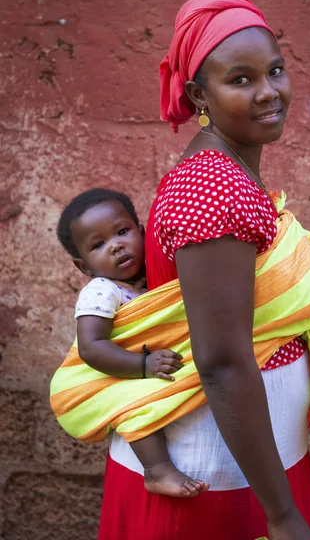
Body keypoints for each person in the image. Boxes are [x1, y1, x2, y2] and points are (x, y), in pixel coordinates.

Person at [95, 0, 310, 540]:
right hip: (211, 478)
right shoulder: (212, 185)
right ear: (198, 94)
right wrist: (282, 517)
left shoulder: (228, 171)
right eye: (240, 79)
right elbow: (223, 362)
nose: (268, 92)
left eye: (275, 70)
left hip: (250, 465)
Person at [56, 187, 209, 497]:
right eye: (99, 245)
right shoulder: (102, 290)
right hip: (115, 373)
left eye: (122, 232)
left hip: (148, 364)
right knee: (135, 406)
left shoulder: (155, 276)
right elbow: (91, 346)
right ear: (83, 266)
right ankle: (157, 470)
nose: (117, 246)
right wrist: (142, 366)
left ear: (142, 233)